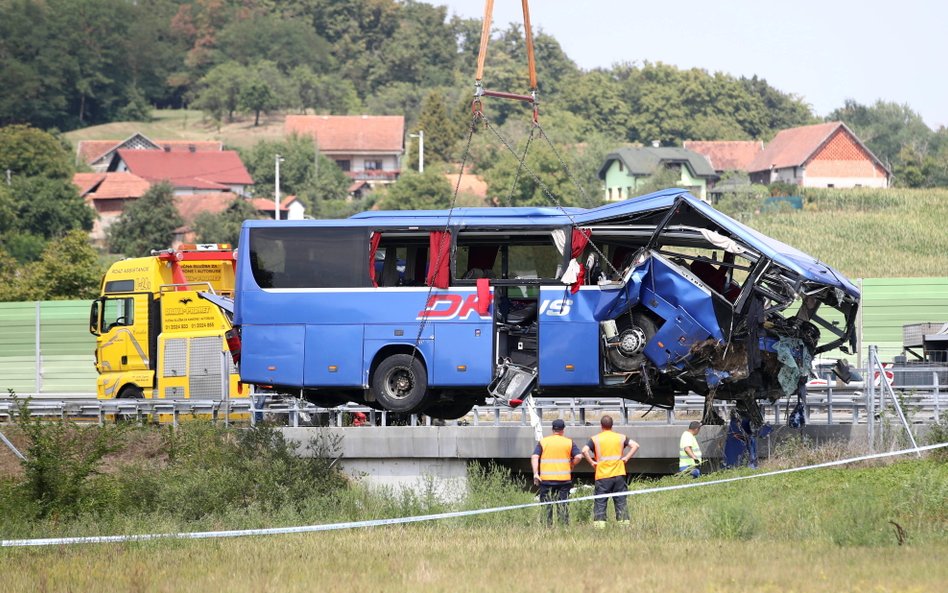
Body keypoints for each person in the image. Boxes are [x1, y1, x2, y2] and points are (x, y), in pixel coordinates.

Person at [582, 415, 639, 528]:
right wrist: (626, 458)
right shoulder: (621, 437)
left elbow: (584, 450)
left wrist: (592, 463)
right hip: (618, 474)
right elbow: (635, 445)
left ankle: (600, 528)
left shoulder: (595, 439)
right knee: (621, 502)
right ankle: (624, 527)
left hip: (602, 475)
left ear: (601, 425)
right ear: (612, 425)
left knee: (600, 502)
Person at [531, 419, 583, 526]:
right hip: (563, 481)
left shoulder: (543, 442)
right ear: (563, 430)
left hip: (546, 481)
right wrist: (572, 464)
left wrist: (536, 473)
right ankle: (563, 528)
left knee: (546, 507)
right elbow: (579, 456)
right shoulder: (569, 442)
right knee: (563, 506)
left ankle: (547, 527)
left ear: (552, 429)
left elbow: (535, 456)